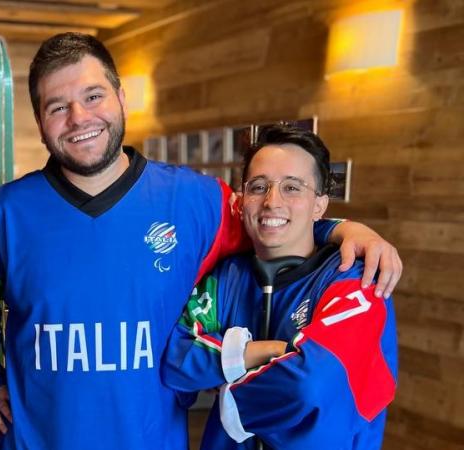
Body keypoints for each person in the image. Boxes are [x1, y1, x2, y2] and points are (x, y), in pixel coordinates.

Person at [0, 32, 401, 449]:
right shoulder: (4, 213)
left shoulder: (199, 201)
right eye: (57, 107)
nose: (79, 118)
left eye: (93, 96)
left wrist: (343, 230)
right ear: (39, 122)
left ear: (121, 99)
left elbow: (272, 220)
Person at [162, 124, 398, 449]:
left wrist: (227, 383)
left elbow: (310, 388)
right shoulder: (227, 275)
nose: (272, 202)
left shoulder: (356, 279)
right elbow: (176, 357)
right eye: (259, 187)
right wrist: (263, 352)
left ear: (319, 205)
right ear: (243, 201)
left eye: (292, 187)